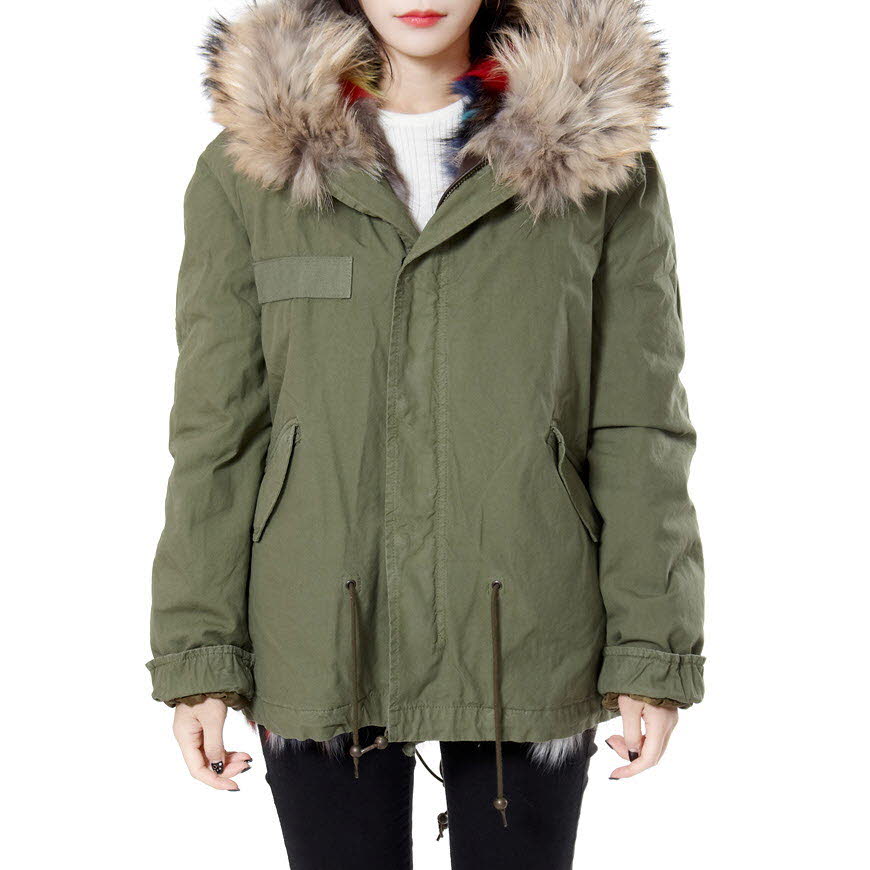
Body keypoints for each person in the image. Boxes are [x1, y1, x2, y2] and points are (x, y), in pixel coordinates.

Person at [147, 1, 706, 867]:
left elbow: (640, 423)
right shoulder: (250, 170)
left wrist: (650, 649)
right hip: (319, 624)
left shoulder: (598, 163)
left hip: (528, 619)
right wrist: (201, 654)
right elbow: (217, 433)